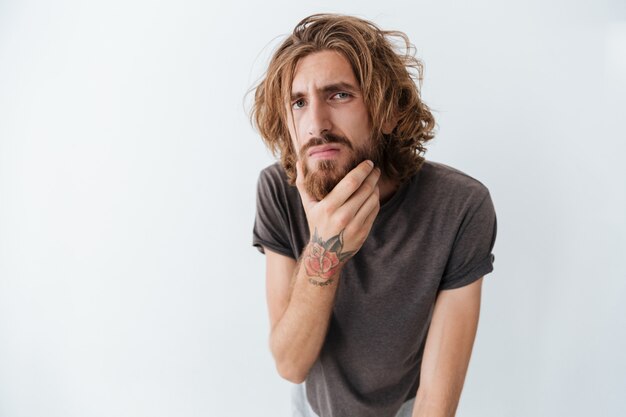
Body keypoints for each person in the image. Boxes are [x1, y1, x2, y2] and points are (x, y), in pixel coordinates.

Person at [250, 13, 497, 417]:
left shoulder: (459, 208)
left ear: (385, 112)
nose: (316, 123)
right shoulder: (279, 190)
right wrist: (324, 250)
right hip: (312, 408)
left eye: (339, 95)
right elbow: (291, 364)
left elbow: (437, 401)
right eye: (299, 102)